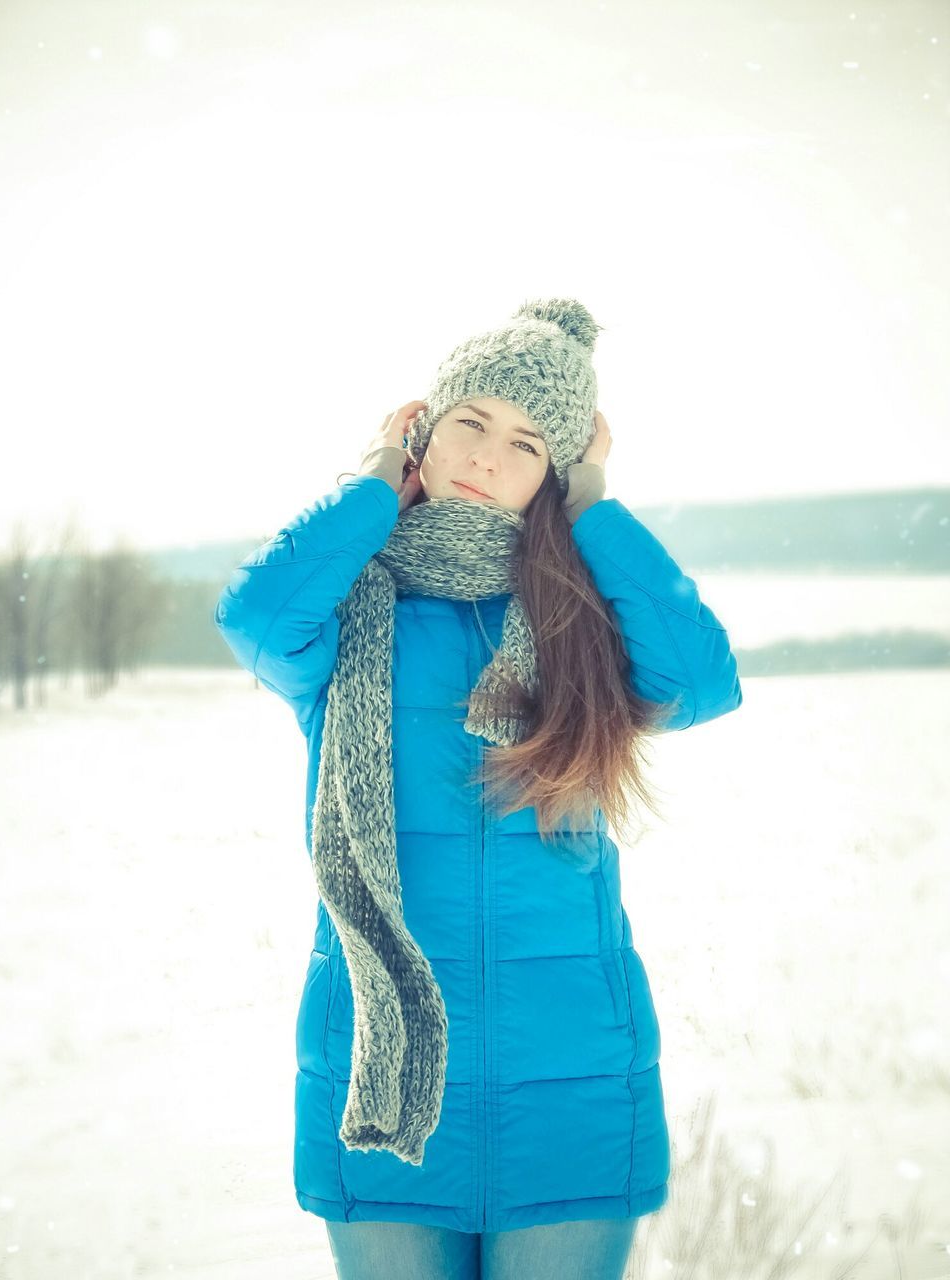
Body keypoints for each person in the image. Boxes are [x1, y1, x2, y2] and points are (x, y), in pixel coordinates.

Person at [213, 298, 743, 1279]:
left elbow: (702, 677)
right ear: (426, 426)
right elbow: (256, 612)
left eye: (530, 443)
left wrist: (596, 507)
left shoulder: (582, 622)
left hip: (573, 1080)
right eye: (472, 421)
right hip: (383, 1081)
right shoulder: (343, 623)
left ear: (554, 473)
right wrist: (376, 483)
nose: (491, 456)